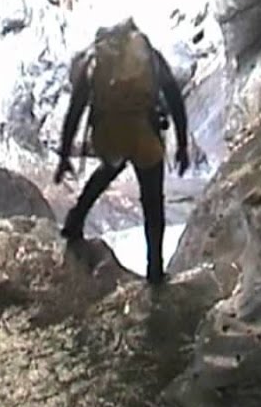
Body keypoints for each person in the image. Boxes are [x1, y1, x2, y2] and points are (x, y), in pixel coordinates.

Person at [54, 19, 190, 285]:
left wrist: (64, 156)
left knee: (109, 167)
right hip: (144, 134)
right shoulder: (147, 55)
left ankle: (75, 221)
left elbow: (75, 109)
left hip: (109, 136)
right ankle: (155, 269)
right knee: (152, 200)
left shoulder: (95, 62)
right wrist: (182, 145)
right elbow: (173, 95)